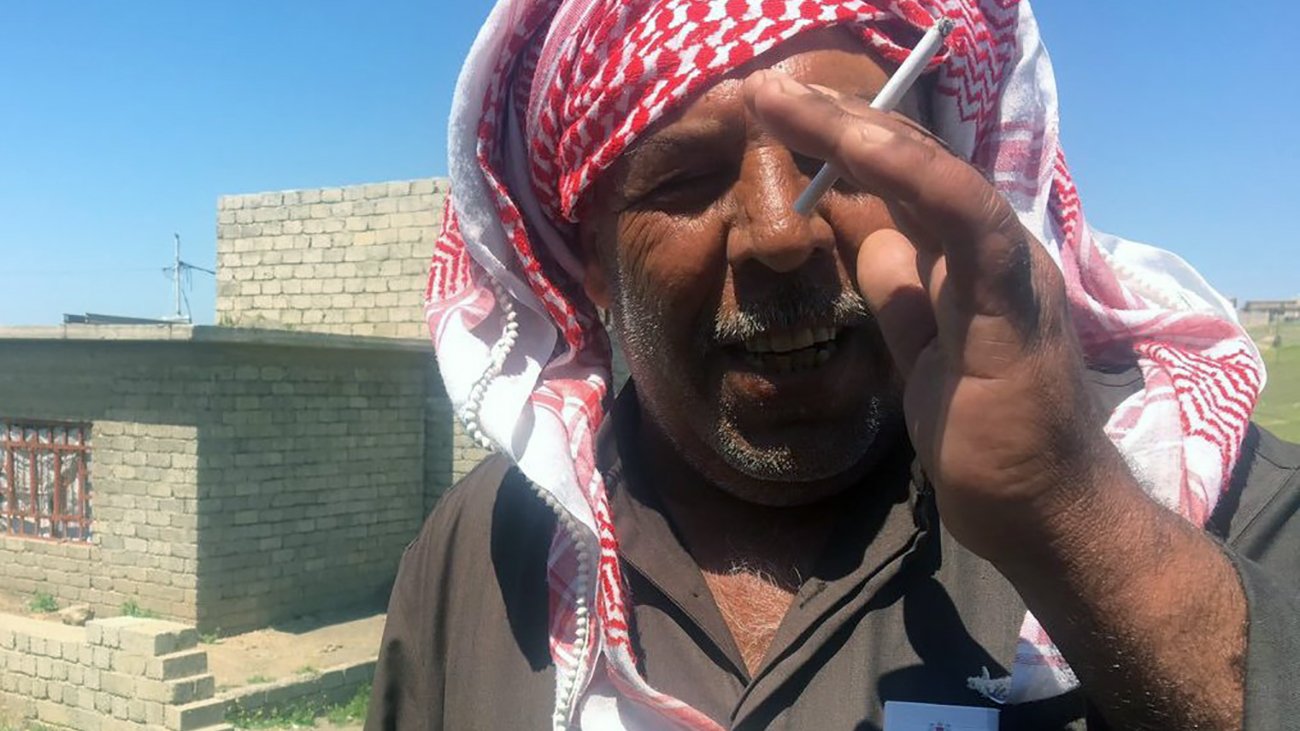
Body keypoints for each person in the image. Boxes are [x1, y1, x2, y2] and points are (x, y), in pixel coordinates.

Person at [367, 1, 1300, 729]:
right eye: (687, 179)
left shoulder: (1197, 493)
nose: (782, 230)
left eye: (848, 155)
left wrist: (1071, 519)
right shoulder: (480, 559)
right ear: (592, 260)